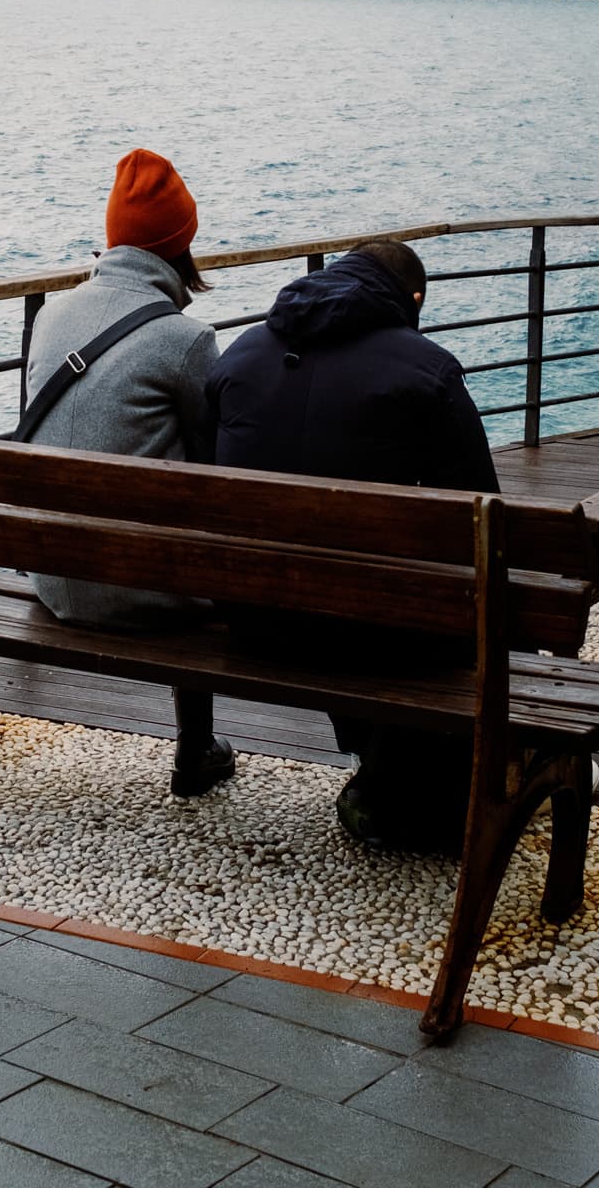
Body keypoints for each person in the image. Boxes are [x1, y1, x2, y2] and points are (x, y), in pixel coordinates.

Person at [205, 237, 498, 849]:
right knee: (433, 603)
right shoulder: (429, 370)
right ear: (410, 299)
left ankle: (384, 773)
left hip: (252, 619)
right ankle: (397, 786)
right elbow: (485, 514)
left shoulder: (238, 357)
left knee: (355, 586)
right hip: (370, 634)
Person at [17, 147, 232, 796]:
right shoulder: (184, 339)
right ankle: (194, 746)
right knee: (198, 528)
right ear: (182, 243)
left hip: (52, 578)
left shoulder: (51, 315)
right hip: (143, 595)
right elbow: (211, 467)